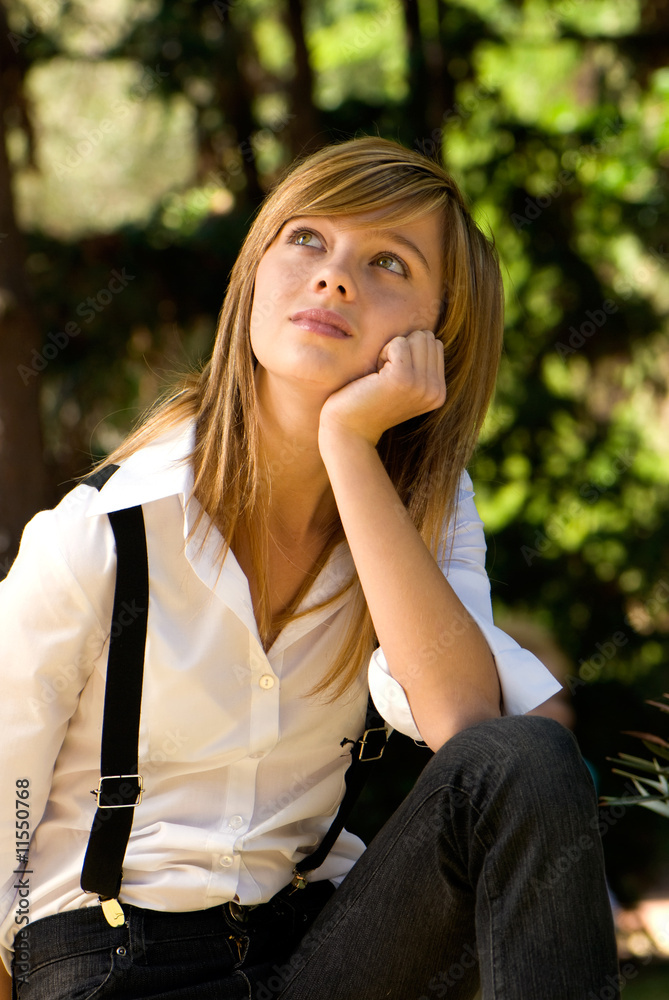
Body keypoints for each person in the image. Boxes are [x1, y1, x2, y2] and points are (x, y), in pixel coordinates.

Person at [0, 136, 619, 999]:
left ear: (434, 335)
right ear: (255, 269)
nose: (334, 278)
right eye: (307, 240)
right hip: (112, 965)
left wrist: (348, 447)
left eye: (388, 263)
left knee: (528, 758)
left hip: (313, 954)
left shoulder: (423, 513)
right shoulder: (105, 535)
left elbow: (465, 723)